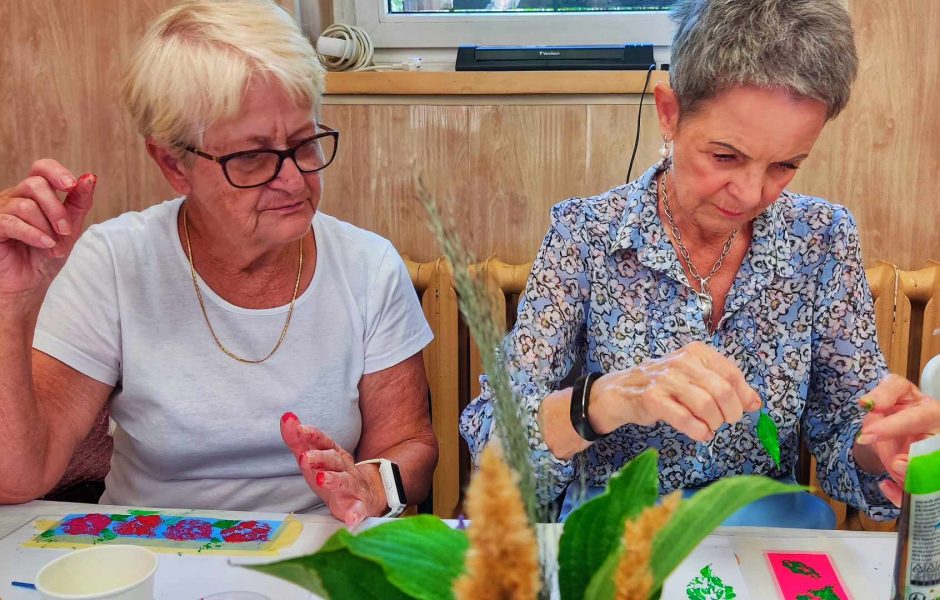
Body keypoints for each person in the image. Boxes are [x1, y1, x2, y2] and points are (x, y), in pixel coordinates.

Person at [460, 0, 940, 524]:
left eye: (785, 165)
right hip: (618, 532)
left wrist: (884, 450)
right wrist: (605, 400)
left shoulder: (822, 238)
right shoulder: (586, 235)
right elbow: (493, 446)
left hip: (766, 534)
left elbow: (846, 431)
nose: (752, 192)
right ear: (670, 113)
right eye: (725, 156)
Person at [0, 0, 437, 526]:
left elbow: (411, 446)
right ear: (173, 164)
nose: (295, 180)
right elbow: (20, 477)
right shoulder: (114, 262)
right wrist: (10, 306)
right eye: (252, 157)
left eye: (305, 144)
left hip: (312, 547)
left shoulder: (368, 266)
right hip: (147, 549)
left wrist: (371, 484)